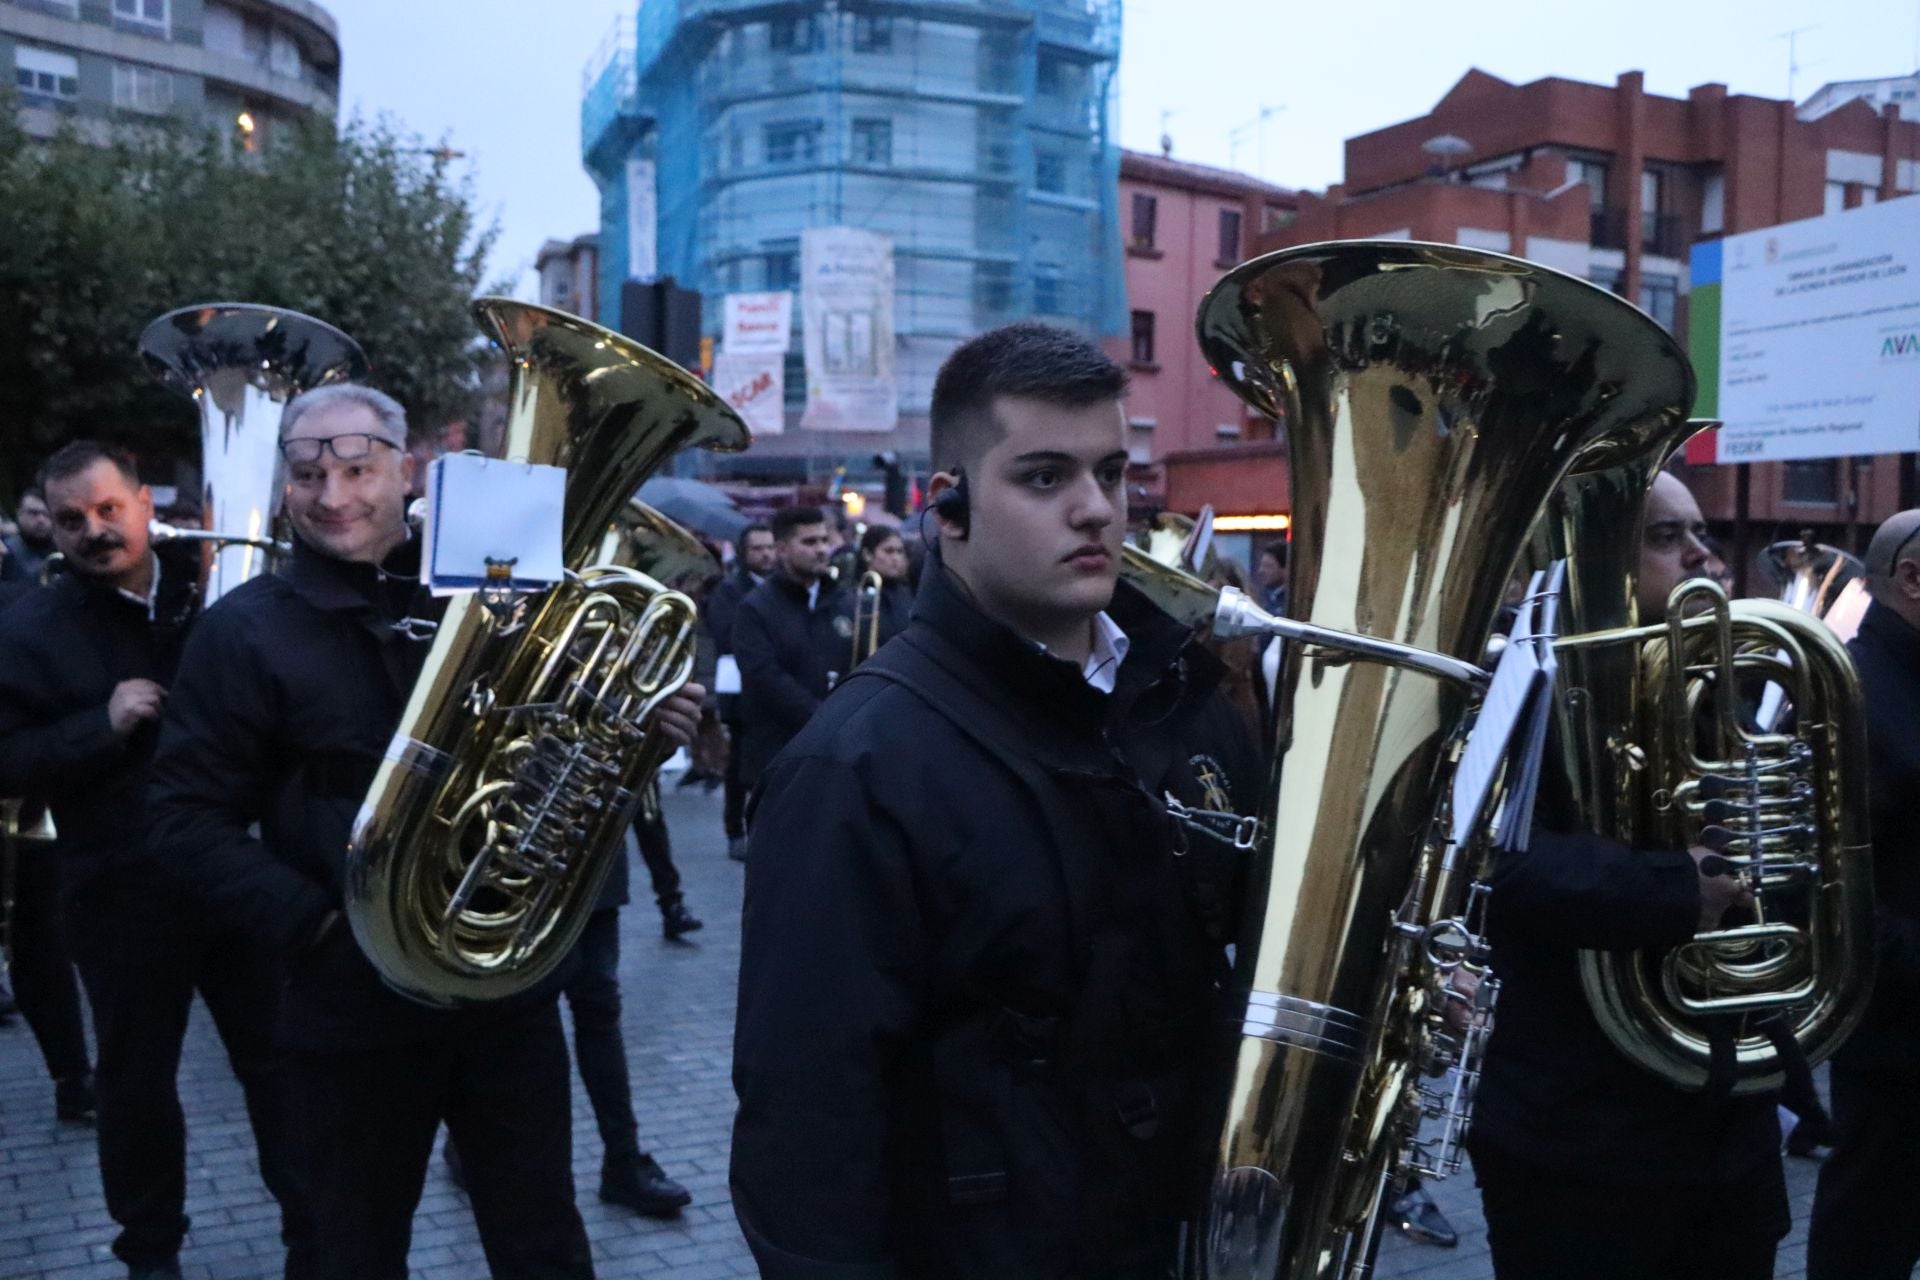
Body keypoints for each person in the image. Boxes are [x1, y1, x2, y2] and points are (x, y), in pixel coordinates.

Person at [731, 322, 1261, 1278]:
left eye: (1113, 472)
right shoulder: (850, 770)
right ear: (951, 507)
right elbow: (806, 1143)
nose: (1098, 509)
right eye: (1046, 477)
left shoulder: (1182, 704)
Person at [145, 382, 706, 1279]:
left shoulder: (499, 589)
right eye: (307, 475)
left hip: (502, 999)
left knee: (544, 1246)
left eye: (359, 469)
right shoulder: (241, 633)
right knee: (346, 1252)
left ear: (406, 470)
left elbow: (557, 743)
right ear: (285, 487)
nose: (334, 498)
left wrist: (640, 724)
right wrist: (321, 924)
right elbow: (179, 820)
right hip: (344, 1005)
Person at [1466, 470, 1786, 1280]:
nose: (1700, 556)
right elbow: (1491, 862)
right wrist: (1679, 887)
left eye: (1697, 533)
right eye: (1664, 536)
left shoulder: (1715, 678)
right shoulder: (1516, 676)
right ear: (1593, 552)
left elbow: (1764, 856)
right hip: (1575, 1141)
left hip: (1724, 1122)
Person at [0, 442, 305, 1280]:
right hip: (119, 891)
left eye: (107, 509)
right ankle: (150, 1253)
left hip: (238, 877)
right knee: (135, 1083)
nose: (94, 531)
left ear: (143, 501)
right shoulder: (27, 627)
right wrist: (97, 725)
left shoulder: (220, 584)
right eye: (71, 521)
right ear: (54, 530)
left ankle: (313, 1230)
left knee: (279, 1066)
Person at [1806, 508, 1920, 1280]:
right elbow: (1830, 887)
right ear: (1913, 579)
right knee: (1869, 1238)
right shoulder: (1855, 687)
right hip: (1897, 1040)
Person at [730, 505, 851, 811]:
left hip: (837, 755)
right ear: (782, 549)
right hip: (777, 755)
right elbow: (764, 676)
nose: (822, 550)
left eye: (824, 540)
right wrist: (822, 716)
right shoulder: (755, 608)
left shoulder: (845, 600)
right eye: (809, 543)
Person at [706, 522, 774, 860]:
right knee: (737, 765)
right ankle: (735, 829)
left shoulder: (780, 588)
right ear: (745, 554)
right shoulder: (730, 591)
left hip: (767, 690)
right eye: (758, 548)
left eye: (769, 547)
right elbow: (724, 635)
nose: (765, 554)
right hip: (739, 689)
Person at [855, 524, 914, 648]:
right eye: (889, 551)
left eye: (900, 551)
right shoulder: (853, 595)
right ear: (867, 555)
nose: (896, 558)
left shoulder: (908, 594)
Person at [1, 487, 57, 583]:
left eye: (46, 514)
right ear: (19, 513)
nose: (41, 520)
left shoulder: (65, 552)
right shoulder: (4, 552)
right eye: (33, 513)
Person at [1254, 538, 1288, 615]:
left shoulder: (1289, 601)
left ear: (1285, 570)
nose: (1261, 571)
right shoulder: (1262, 597)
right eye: (1261, 565)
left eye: (1268, 566)